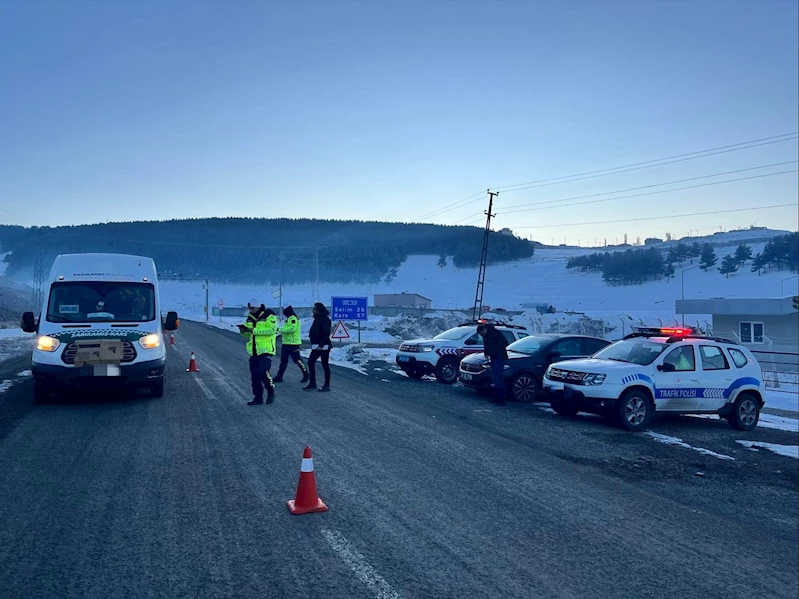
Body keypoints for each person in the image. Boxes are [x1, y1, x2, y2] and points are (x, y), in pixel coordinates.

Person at [238, 299, 278, 405]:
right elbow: (248, 335)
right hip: (254, 350)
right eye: (249, 308)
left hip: (266, 349)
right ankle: (258, 397)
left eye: (252, 308)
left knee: (262, 371)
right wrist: (243, 331)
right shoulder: (249, 319)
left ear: (258, 307)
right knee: (254, 376)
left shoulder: (269, 316)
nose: (250, 310)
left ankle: (271, 390)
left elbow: (272, 330)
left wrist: (254, 331)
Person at [274, 305, 309, 383]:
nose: (283, 313)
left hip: (293, 344)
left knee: (297, 360)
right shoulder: (288, 319)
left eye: (284, 311)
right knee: (283, 361)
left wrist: (279, 330)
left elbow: (291, 329)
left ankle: (306, 374)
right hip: (286, 343)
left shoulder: (293, 318)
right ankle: (279, 376)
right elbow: (286, 330)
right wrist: (279, 335)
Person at [478, 323, 509, 405]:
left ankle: (502, 399)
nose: (482, 335)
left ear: (484, 329)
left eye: (482, 333)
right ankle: (497, 397)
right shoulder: (487, 335)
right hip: (493, 357)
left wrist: (494, 350)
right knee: (495, 378)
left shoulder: (495, 333)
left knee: (498, 378)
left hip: (498, 357)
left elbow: (505, 343)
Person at [304, 302, 332, 392]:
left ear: (319, 310)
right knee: (310, 362)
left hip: (323, 347)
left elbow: (325, 333)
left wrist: (321, 344)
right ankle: (312, 383)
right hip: (316, 346)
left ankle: (326, 385)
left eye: (314, 309)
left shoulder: (326, 320)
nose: (313, 311)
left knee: (325, 365)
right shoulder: (316, 319)